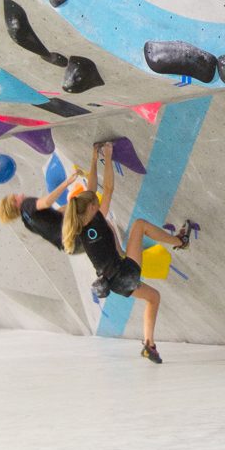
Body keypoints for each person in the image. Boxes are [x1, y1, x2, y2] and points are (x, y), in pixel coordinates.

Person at [61, 143, 192, 365]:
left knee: (153, 298)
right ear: (92, 209)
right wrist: (108, 158)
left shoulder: (80, 227)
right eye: (95, 203)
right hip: (124, 272)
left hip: (114, 282)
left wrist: (94, 158)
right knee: (139, 225)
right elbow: (108, 189)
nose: (97, 202)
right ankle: (181, 241)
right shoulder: (96, 221)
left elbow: (91, 191)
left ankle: (149, 346)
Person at [0, 156, 90, 251]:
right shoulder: (26, 205)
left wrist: (73, 202)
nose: (20, 194)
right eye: (16, 196)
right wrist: (67, 182)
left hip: (70, 247)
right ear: (15, 203)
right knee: (95, 210)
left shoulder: (27, 223)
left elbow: (53, 219)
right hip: (76, 236)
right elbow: (47, 202)